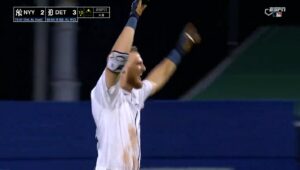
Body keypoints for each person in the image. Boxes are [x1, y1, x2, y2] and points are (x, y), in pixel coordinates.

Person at [90, 0, 201, 169]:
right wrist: (134, 16)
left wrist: (179, 51)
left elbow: (158, 77)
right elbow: (116, 59)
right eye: (138, 64)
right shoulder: (108, 94)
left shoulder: (135, 95)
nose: (143, 68)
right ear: (124, 70)